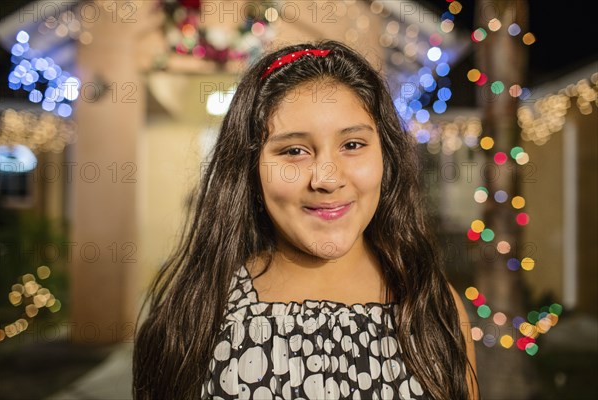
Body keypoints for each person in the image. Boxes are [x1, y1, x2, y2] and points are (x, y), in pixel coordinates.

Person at [133, 40, 479, 400]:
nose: (327, 179)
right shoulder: (200, 318)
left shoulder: (432, 307)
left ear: (386, 158)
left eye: (353, 145)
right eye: (294, 151)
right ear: (250, 168)